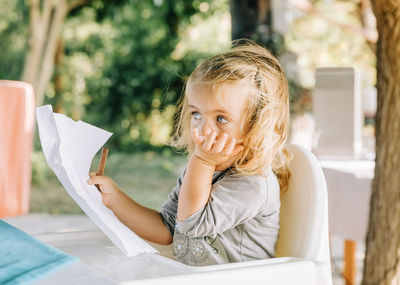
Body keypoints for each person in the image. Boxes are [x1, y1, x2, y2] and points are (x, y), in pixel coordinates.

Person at [87, 39, 291, 266]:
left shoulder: (253, 184)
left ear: (256, 126)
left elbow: (190, 224)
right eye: (196, 114)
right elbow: (168, 229)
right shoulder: (203, 169)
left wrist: (202, 161)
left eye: (221, 118)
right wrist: (113, 198)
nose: (203, 129)